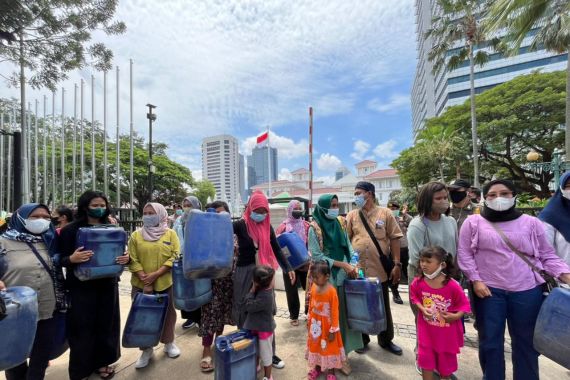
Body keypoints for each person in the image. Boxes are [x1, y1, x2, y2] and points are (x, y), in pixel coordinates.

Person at [458, 179, 570, 380]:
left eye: (505, 193)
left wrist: (565, 274)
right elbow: (464, 254)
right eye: (492, 195)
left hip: (527, 291)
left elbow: (546, 255)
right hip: (489, 291)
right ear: (485, 198)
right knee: (490, 342)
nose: (498, 198)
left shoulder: (531, 222)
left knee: (526, 343)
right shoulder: (473, 222)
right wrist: (475, 280)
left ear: (514, 196)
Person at [57, 190, 130, 380]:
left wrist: (126, 258)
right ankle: (80, 370)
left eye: (102, 205)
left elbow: (122, 253)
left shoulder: (112, 228)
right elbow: (60, 259)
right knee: (82, 328)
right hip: (81, 288)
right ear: (84, 207)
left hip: (108, 284)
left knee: (107, 325)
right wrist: (72, 258)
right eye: (95, 205)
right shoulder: (70, 230)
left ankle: (103, 363)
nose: (99, 209)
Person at [0, 203, 65, 380]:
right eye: (35, 217)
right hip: (15, 312)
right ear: (20, 218)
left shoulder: (50, 240)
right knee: (16, 358)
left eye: (46, 217)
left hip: (47, 307)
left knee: (41, 356)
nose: (42, 221)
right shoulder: (3, 241)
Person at [233, 191, 295, 370]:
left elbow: (276, 249)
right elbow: (218, 233)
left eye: (264, 210)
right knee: (245, 312)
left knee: (266, 314)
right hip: (245, 274)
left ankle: (270, 354)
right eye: (257, 209)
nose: (260, 213)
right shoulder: (239, 225)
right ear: (250, 207)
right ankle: (249, 353)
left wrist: (288, 267)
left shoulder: (267, 227)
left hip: (265, 275)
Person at [346, 181, 403, 356]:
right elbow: (347, 240)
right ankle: (362, 340)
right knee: (359, 305)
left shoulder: (385, 213)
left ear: (369, 193)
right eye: (355, 194)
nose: (356, 197)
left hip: (379, 269)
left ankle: (386, 340)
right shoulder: (352, 215)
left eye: (358, 193)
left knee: (383, 304)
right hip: (358, 270)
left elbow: (394, 238)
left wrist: (397, 264)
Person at [308, 194, 362, 375]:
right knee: (327, 321)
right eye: (331, 205)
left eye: (337, 205)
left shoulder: (340, 223)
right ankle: (323, 358)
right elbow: (317, 256)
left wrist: (353, 262)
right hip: (326, 280)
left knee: (342, 319)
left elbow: (348, 245)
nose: (335, 208)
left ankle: (341, 356)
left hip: (344, 278)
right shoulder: (314, 228)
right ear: (322, 207)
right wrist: (342, 265)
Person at [406, 181, 457, 374]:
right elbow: (417, 259)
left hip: (447, 277)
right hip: (423, 278)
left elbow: (455, 248)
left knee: (443, 322)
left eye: (445, 197)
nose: (444, 201)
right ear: (428, 200)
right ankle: (423, 357)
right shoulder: (417, 225)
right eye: (439, 198)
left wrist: (451, 276)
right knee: (425, 320)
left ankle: (442, 360)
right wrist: (432, 281)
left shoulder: (450, 221)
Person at [128, 202, 181, 369]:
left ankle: (168, 343)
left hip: (164, 282)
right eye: (146, 213)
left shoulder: (170, 234)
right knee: (143, 317)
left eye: (152, 213)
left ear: (161, 214)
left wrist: (156, 275)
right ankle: (146, 349)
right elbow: (131, 258)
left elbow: (175, 255)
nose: (148, 216)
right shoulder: (136, 235)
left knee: (168, 314)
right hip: (140, 284)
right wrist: (143, 277)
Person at [410, 246, 470, 380]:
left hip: (446, 337)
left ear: (442, 264)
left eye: (428, 261)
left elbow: (464, 305)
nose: (423, 264)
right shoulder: (418, 282)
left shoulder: (453, 286)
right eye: (421, 261)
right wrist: (421, 308)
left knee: (445, 370)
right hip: (426, 333)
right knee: (426, 363)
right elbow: (414, 297)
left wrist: (455, 316)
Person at [198, 201, 235, 373]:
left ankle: (219, 342)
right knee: (209, 315)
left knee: (222, 313)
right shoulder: (204, 234)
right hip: (210, 281)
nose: (217, 218)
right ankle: (206, 349)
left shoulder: (234, 234)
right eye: (214, 214)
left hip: (228, 281)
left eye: (221, 214)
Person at [306, 260, 345, 380]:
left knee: (329, 348)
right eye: (313, 278)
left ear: (327, 276)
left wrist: (333, 330)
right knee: (316, 345)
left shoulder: (331, 292)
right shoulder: (313, 286)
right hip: (315, 325)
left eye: (317, 277)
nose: (315, 280)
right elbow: (312, 304)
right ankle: (317, 368)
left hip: (328, 327)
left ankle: (331, 371)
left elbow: (334, 312)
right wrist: (309, 319)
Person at [275, 199, 310, 326]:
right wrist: (285, 263)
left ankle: (309, 312)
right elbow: (278, 246)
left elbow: (310, 243)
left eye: (300, 208)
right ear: (289, 210)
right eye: (295, 209)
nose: (298, 211)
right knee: (291, 290)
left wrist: (309, 254)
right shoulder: (283, 227)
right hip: (289, 264)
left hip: (305, 263)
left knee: (309, 289)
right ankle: (294, 315)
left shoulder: (306, 225)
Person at [173, 195, 202, 329]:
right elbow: (174, 235)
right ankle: (189, 317)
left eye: (189, 205)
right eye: (184, 205)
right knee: (185, 288)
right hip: (181, 257)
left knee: (199, 287)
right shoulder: (179, 220)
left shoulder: (201, 218)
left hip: (197, 257)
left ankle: (200, 318)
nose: (186, 208)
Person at [243, 265, 277, 380]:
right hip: (256, 327)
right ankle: (256, 365)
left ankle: (268, 376)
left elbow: (249, 306)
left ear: (256, 282)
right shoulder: (264, 290)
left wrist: (251, 292)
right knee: (255, 349)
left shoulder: (265, 296)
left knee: (266, 355)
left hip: (264, 331)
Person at [539, 171, 570, 266]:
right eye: (568, 185)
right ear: (561, 188)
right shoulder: (549, 217)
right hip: (565, 277)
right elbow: (544, 253)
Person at [387, 200, 412, 304]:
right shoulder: (385, 220)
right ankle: (395, 293)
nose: (393, 211)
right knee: (394, 273)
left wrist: (405, 213)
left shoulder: (402, 219)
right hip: (392, 251)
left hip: (404, 249)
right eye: (391, 209)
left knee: (408, 272)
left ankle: (414, 292)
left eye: (395, 209)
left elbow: (412, 221)